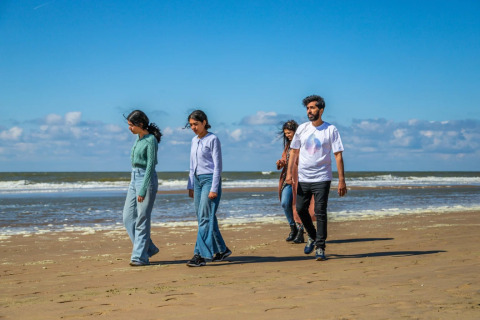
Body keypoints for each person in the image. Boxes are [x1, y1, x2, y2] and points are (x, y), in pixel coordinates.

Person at [285, 95, 347, 261]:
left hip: (322, 177)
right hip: (304, 178)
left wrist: (341, 180)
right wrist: (290, 174)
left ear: (321, 109)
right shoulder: (303, 129)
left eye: (312, 108)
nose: (309, 111)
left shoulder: (330, 130)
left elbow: (338, 155)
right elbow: (294, 152)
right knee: (300, 209)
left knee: (320, 212)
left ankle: (320, 247)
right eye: (307, 108)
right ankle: (312, 235)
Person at [186, 110, 231, 267]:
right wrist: (190, 185)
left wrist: (214, 188)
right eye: (191, 125)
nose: (193, 127)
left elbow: (218, 165)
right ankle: (222, 249)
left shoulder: (213, 139)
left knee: (205, 217)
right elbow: (192, 165)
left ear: (204, 122)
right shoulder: (193, 141)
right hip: (197, 181)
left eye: (196, 124)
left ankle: (200, 255)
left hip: (210, 180)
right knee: (203, 217)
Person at [122, 110, 162, 266]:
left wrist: (143, 188)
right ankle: (149, 248)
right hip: (133, 179)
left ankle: (140, 257)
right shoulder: (138, 139)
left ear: (140, 124)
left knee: (142, 219)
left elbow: (151, 165)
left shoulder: (151, 140)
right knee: (127, 218)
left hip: (146, 179)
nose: (129, 128)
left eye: (131, 125)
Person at [276, 120, 316, 243]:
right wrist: (281, 162)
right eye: (286, 133)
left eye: (289, 133)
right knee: (285, 203)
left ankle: (300, 231)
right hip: (287, 179)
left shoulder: (303, 144)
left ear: (296, 131)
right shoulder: (288, 145)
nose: (287, 135)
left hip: (300, 178)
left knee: (300, 206)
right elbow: (285, 158)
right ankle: (293, 227)